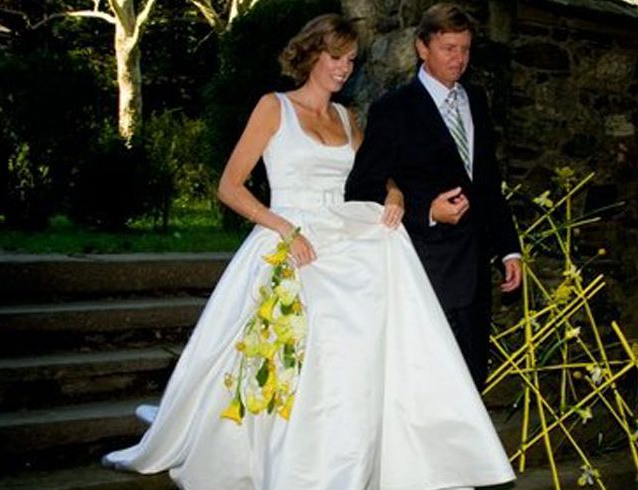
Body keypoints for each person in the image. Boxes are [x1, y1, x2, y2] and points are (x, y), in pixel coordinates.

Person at [102, 14, 515, 490]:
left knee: (370, 322)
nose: (345, 69)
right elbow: (229, 187)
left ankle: (364, 452)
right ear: (311, 55)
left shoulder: (347, 117)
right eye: (336, 58)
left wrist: (397, 194)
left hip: (340, 238)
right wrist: (283, 229)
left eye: (351, 61)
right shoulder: (273, 107)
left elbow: (373, 174)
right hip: (286, 237)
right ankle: (291, 455)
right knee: (310, 335)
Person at [345, 3, 522, 390]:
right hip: (426, 269)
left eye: (466, 49)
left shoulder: (475, 100)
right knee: (433, 388)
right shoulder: (392, 110)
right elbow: (360, 189)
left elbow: (488, 182)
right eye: (449, 49)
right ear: (422, 48)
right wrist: (426, 211)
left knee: (472, 381)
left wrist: (509, 250)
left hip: (475, 270)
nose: (460, 59)